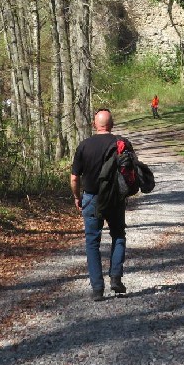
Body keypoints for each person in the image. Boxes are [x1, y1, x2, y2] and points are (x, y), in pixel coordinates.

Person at [70, 108, 134, 300]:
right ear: (112, 124)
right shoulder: (122, 144)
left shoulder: (84, 145)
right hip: (114, 198)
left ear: (94, 124)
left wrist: (76, 197)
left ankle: (97, 289)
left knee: (92, 243)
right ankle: (115, 277)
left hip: (91, 198)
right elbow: (131, 173)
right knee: (118, 235)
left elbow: (74, 178)